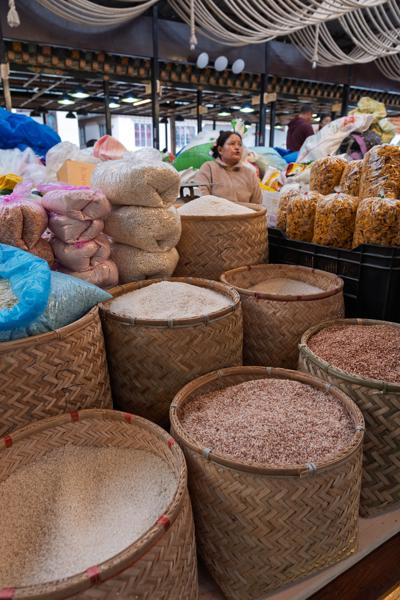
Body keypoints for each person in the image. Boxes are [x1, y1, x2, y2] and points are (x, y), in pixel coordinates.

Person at [194, 131, 262, 204]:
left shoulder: (249, 173)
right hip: (215, 214)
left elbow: (257, 203)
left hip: (246, 215)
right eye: (232, 144)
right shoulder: (208, 168)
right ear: (220, 150)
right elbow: (203, 198)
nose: (237, 147)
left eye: (240, 144)